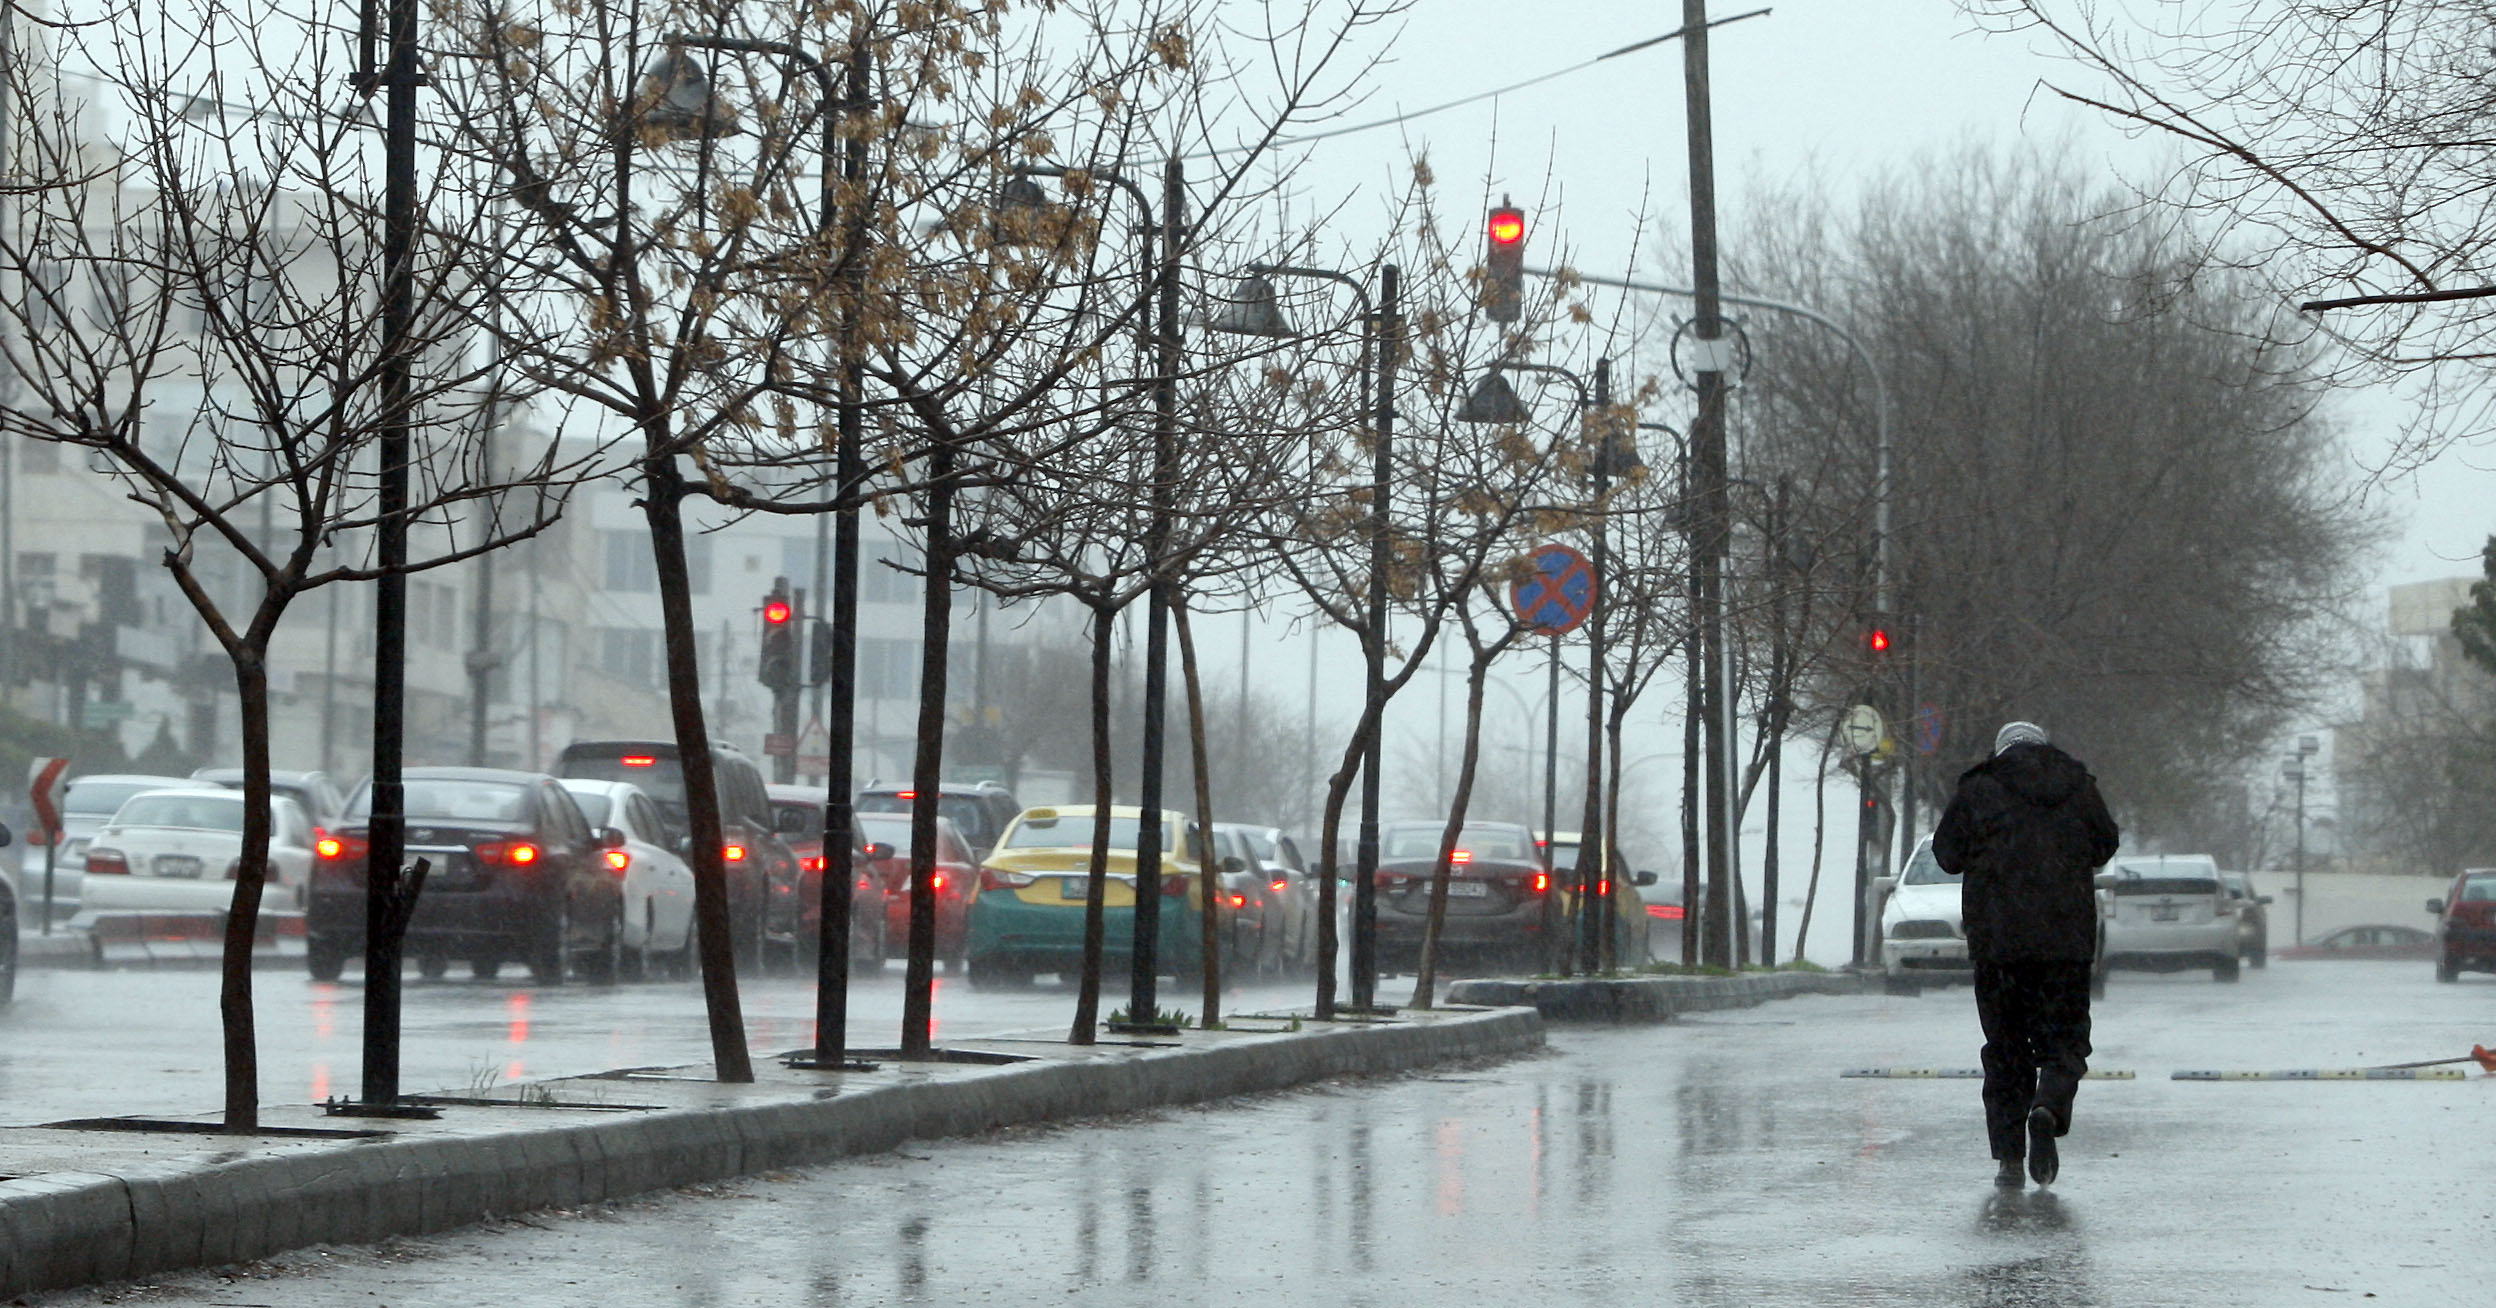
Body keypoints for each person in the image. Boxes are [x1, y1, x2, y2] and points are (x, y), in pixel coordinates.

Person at [1932, 720, 2119, 1188]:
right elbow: (2105, 844)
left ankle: (2010, 1157)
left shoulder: (1978, 789)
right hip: (2065, 944)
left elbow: (1946, 854)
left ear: (2000, 750)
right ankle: (2047, 1106)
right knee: (2065, 1042)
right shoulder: (2078, 786)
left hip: (1999, 946)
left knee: (2006, 1049)